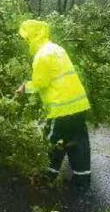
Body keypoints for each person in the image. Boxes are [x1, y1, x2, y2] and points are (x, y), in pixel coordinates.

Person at [16, 19, 92, 189]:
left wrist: (23, 87)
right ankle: (82, 180)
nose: (25, 42)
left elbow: (40, 82)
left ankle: (46, 177)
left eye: (26, 38)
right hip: (78, 105)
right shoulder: (57, 49)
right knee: (78, 141)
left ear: (32, 37)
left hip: (61, 107)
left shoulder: (41, 55)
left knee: (52, 141)